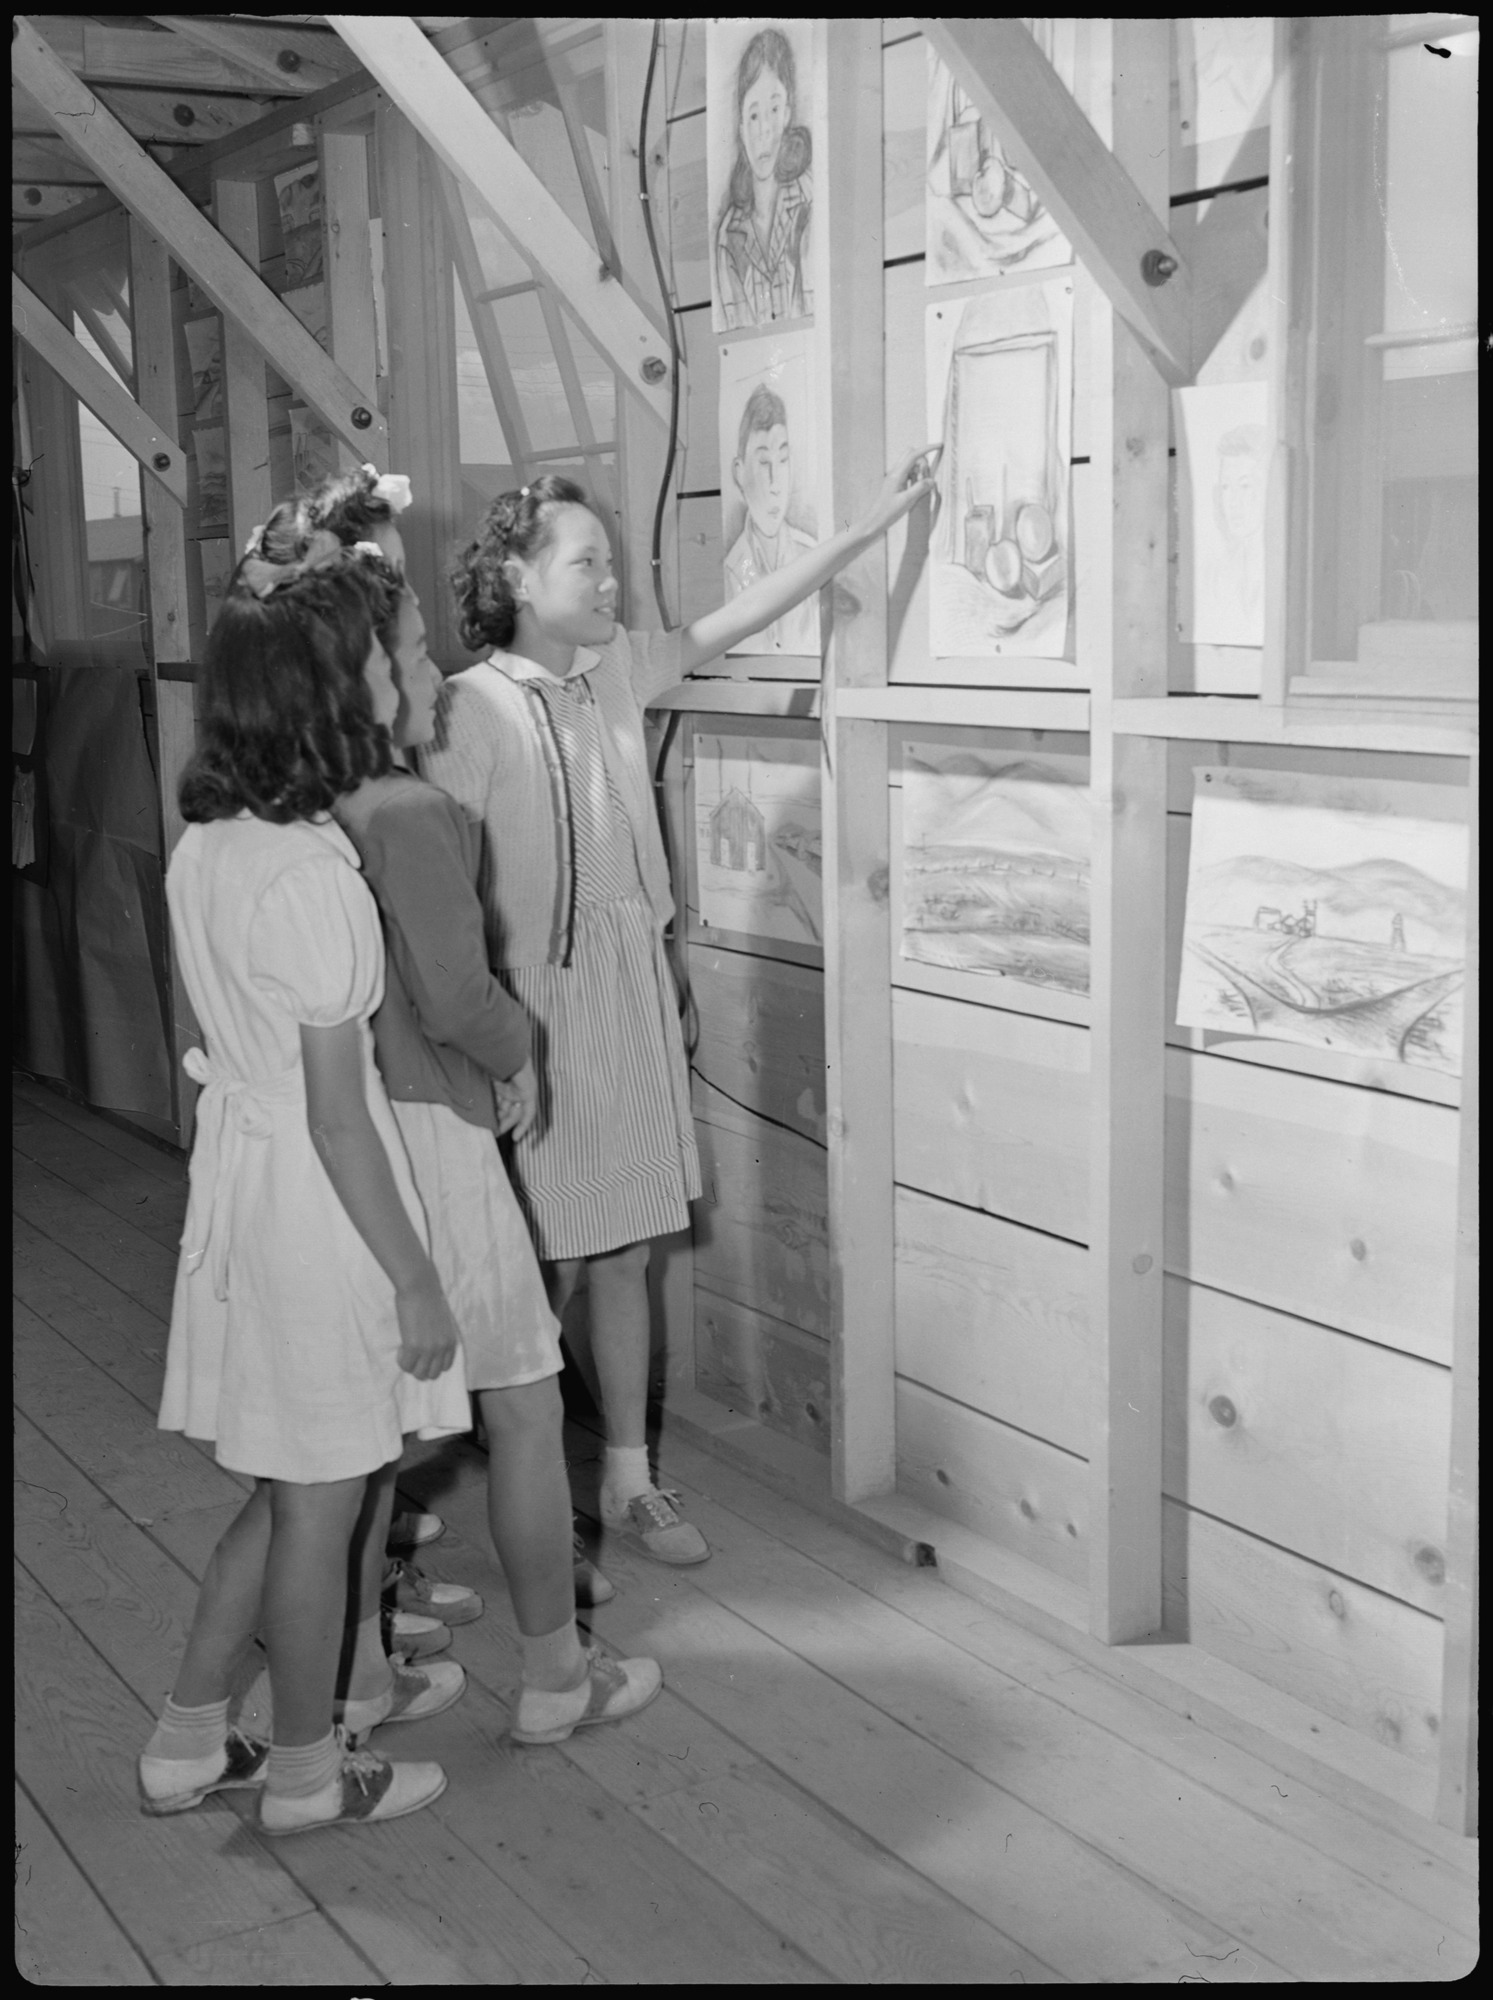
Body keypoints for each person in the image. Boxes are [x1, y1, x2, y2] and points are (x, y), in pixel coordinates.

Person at [426, 445, 939, 1566]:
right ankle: (430, 1472)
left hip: (628, 993)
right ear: (518, 579)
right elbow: (434, 889)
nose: (611, 582)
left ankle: (626, 1478)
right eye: (587, 563)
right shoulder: (464, 712)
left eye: (611, 562)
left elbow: (746, 608)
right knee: (533, 1260)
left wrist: (866, 523)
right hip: (531, 1010)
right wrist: (482, 1030)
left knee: (626, 1249)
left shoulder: (617, 668)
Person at [287, 478, 663, 1741]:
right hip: (442, 1129)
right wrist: (521, 1053)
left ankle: (353, 1670)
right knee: (511, 1396)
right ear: (363, 683)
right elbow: (456, 989)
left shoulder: (282, 818)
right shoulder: (414, 805)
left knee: (355, 1435)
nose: (426, 674)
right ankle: (555, 1673)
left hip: (367, 1130)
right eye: (404, 656)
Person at [137, 541, 469, 1837]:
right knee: (322, 1517)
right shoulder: (315, 875)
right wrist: (416, 1276)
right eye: (386, 655)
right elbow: (341, 1121)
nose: (400, 670)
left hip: (243, 1184)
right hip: (317, 1217)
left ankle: (183, 1741)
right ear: (332, 696)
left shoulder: (209, 846)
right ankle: (305, 1774)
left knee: (280, 1497)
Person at [715, 26, 813, 329]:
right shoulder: (729, 238)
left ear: (787, 114)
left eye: (773, 109)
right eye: (754, 115)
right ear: (742, 126)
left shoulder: (809, 204)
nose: (764, 130)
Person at [724, 384, 819, 655]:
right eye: (764, 464)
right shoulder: (731, 570)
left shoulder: (811, 554)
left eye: (784, 460)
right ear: (739, 473)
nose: (776, 484)